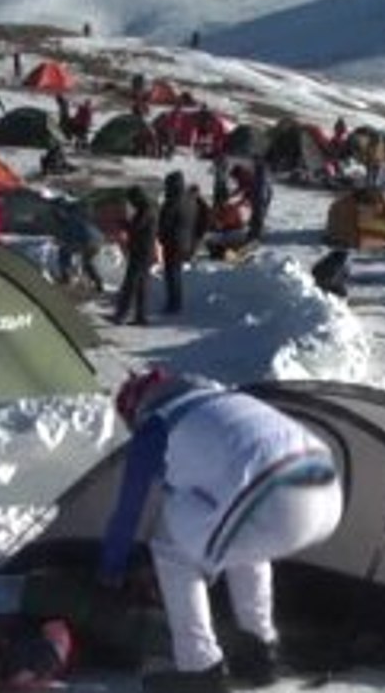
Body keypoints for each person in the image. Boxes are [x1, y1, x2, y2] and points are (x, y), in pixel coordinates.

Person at [101, 369, 344, 693]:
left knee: (170, 545)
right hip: (327, 489)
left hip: (270, 495)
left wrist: (111, 571)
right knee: (239, 535)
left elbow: (128, 510)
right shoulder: (223, 400)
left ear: (135, 409)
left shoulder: (156, 424)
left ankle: (200, 669)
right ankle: (261, 651)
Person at [113, 186, 157, 326]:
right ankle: (140, 316)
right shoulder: (147, 209)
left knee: (131, 284)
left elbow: (135, 228)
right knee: (140, 285)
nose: (131, 203)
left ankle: (122, 315)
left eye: (132, 200)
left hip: (141, 251)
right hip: (144, 251)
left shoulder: (146, 210)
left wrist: (124, 223)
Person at [158, 171, 197, 314]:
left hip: (173, 241)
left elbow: (165, 222)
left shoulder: (173, 201)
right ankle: (176, 301)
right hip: (185, 241)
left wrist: (161, 236)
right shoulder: (190, 199)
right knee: (176, 272)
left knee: (171, 273)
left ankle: (174, 304)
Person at [55, 207, 106, 292]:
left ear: (64, 212)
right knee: (86, 263)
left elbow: (73, 237)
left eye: (59, 214)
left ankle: (66, 278)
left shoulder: (72, 221)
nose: (58, 217)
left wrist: (64, 242)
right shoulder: (77, 218)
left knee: (63, 252)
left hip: (90, 242)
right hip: (97, 241)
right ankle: (98, 283)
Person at [247, 158, 273, 242]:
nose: (253, 164)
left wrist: (265, 200)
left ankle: (257, 235)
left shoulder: (262, 173)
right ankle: (253, 232)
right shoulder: (258, 173)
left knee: (259, 217)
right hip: (258, 198)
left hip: (260, 198)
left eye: (255, 162)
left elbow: (265, 189)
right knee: (255, 216)